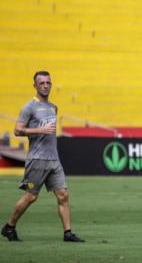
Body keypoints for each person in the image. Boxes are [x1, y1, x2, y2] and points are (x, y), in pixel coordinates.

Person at [1, 71, 84, 242]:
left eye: (48, 83)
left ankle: (67, 233)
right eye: (42, 83)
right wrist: (39, 130)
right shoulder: (29, 107)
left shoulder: (53, 107)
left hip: (54, 160)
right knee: (31, 196)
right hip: (37, 160)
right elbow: (17, 130)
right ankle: (9, 227)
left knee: (63, 195)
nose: (46, 86)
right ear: (35, 86)